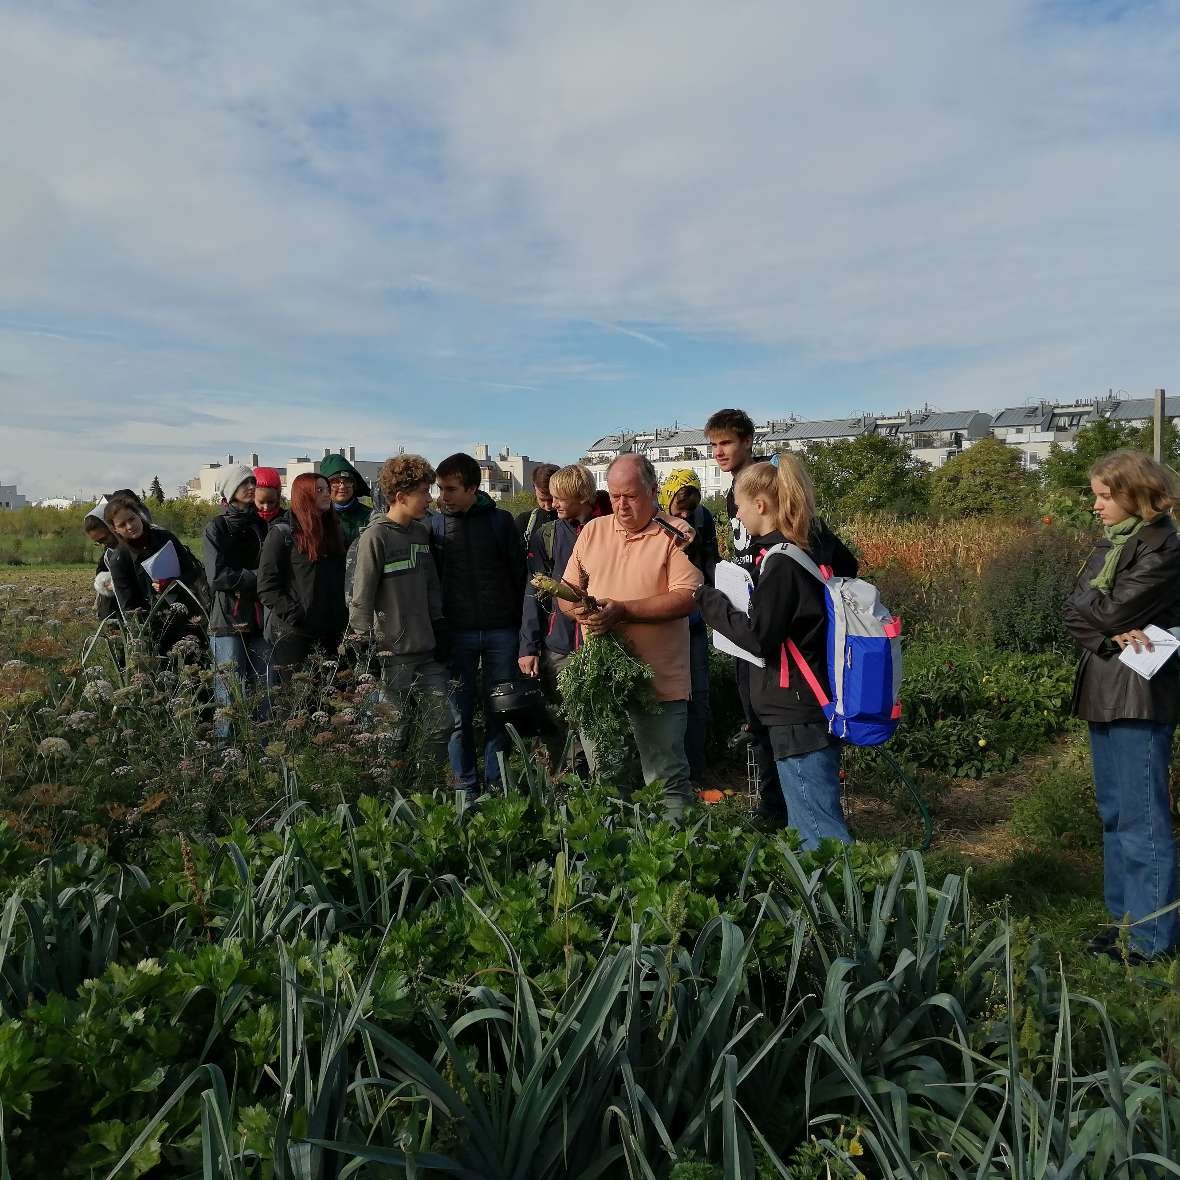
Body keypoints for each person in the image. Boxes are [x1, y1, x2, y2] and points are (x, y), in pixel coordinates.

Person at [695, 456, 858, 850]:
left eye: (738, 503)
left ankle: (848, 903)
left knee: (819, 835)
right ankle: (835, 899)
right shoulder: (801, 551)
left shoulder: (782, 564)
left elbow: (758, 638)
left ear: (761, 505)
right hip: (805, 704)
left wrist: (707, 600)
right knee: (809, 823)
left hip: (797, 711)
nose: (737, 513)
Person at [1063, 449, 1180, 964]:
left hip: (1140, 696)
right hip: (1105, 689)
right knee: (1113, 815)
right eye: (1096, 495)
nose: (1096, 505)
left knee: (1142, 819)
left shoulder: (1164, 549)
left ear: (1136, 494)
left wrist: (1102, 620)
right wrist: (1109, 635)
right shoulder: (1113, 544)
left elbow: (1109, 608)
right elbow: (1072, 611)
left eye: (1105, 496)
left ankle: (1152, 942)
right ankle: (1122, 924)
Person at [559, 453, 703, 820]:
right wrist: (582, 610)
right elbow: (566, 591)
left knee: (665, 779)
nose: (621, 505)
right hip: (602, 680)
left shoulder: (677, 534)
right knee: (607, 777)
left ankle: (674, 861)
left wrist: (623, 610)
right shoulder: (593, 531)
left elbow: (687, 598)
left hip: (659, 682)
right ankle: (616, 857)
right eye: (615, 495)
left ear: (654, 491)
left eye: (632, 496)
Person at [705, 407, 786, 828]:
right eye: (714, 444)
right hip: (744, 610)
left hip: (769, 610)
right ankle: (772, 804)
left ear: (748, 441)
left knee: (772, 714)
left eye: (726, 443)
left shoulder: (764, 482)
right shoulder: (731, 488)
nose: (719, 452)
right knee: (754, 715)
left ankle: (779, 808)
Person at [431, 452, 527, 798]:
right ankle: (465, 789)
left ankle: (496, 787)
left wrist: (521, 628)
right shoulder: (436, 526)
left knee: (499, 711)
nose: (443, 497)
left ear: (473, 488)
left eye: (450, 489)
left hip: (501, 630)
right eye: (440, 489)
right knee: (458, 716)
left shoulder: (501, 522)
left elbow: (520, 576)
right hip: (458, 634)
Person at [349, 455, 451, 776]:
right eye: (424, 491)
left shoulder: (421, 534)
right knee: (394, 732)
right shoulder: (375, 537)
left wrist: (439, 625)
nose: (430, 498)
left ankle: (425, 783)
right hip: (391, 654)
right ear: (400, 496)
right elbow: (361, 597)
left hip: (427, 650)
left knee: (441, 722)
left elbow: (432, 586)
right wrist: (364, 646)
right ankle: (389, 793)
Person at [518, 464, 611, 763]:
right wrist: (528, 646)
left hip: (604, 641)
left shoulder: (614, 528)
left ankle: (603, 785)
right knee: (564, 721)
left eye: (559, 498)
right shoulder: (549, 534)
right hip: (560, 645)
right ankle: (570, 784)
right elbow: (533, 591)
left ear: (582, 497)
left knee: (602, 722)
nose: (552, 504)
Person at [658, 469, 720, 788]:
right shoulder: (654, 522)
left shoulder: (703, 519)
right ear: (667, 499)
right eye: (679, 507)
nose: (684, 514)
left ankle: (696, 773)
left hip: (694, 620)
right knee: (666, 697)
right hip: (661, 621)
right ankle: (668, 774)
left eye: (690, 509)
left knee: (698, 695)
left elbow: (712, 563)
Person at [257, 473, 348, 679]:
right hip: (295, 637)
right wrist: (296, 614)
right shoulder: (283, 534)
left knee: (334, 699)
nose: (327, 495)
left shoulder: (335, 531)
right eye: (319, 490)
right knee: (298, 703)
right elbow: (267, 587)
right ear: (304, 495)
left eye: (327, 490)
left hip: (331, 633)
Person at [203, 464, 270, 739]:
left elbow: (273, 569)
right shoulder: (215, 528)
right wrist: (256, 577)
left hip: (259, 620)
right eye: (245, 484)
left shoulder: (261, 526)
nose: (252, 488)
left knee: (263, 693)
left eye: (253, 483)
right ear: (230, 491)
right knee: (228, 696)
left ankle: (263, 756)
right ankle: (225, 758)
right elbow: (217, 577)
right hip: (227, 623)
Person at [103, 492, 207, 657]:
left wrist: (173, 583)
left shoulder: (165, 538)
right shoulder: (119, 559)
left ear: (139, 514)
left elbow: (192, 572)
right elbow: (129, 608)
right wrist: (144, 640)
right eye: (122, 525)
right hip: (155, 633)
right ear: (115, 529)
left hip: (189, 621)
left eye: (132, 519)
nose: (130, 526)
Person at [318, 452, 374, 594]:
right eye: (335, 481)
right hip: (328, 588)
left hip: (362, 587)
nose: (342, 486)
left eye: (347, 481)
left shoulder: (370, 516)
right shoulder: (318, 517)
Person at [84, 500, 120, 622]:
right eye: (99, 542)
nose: (105, 544)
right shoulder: (108, 555)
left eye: (104, 538)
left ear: (113, 526)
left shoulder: (143, 545)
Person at [515, 463, 560, 546]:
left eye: (552, 499)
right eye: (542, 499)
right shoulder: (524, 521)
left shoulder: (574, 522)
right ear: (534, 488)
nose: (548, 506)